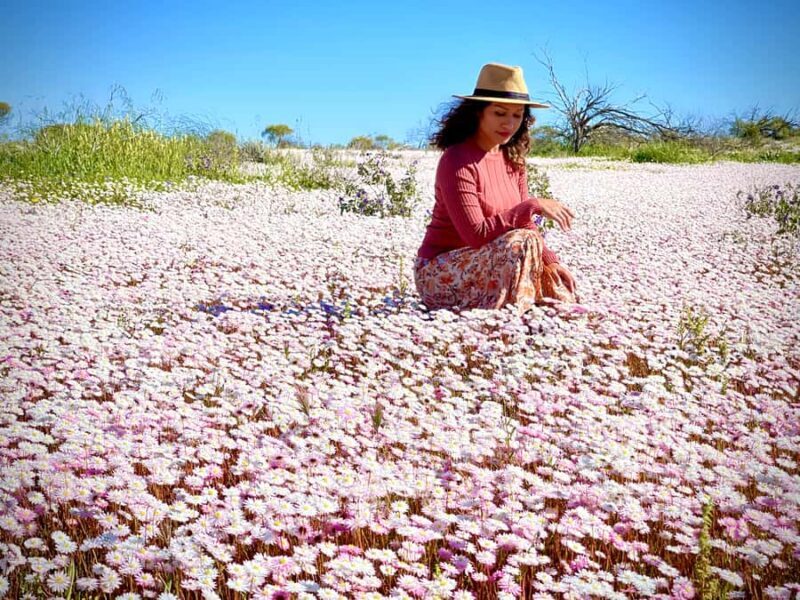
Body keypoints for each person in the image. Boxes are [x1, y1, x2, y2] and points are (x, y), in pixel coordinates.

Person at [414, 62, 579, 315]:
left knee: (560, 288)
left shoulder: (513, 159)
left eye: (517, 115)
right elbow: (475, 235)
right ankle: (507, 323)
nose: (509, 123)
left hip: (494, 263)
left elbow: (525, 225)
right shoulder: (457, 160)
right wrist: (533, 205)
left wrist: (549, 261)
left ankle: (525, 323)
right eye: (500, 113)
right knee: (522, 242)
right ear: (478, 113)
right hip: (441, 272)